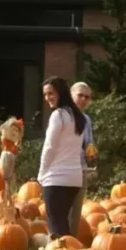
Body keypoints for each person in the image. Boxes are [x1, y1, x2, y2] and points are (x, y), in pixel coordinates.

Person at [37, 76, 85, 239]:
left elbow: (50, 147)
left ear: (61, 93)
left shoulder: (58, 115)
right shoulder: (78, 116)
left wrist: (41, 173)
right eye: (45, 94)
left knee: (56, 228)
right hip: (74, 179)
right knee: (62, 223)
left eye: (51, 93)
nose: (47, 98)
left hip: (56, 177)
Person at [68, 82, 96, 238]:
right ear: (72, 96)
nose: (84, 99)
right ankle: (57, 242)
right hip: (63, 168)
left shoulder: (86, 120)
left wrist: (91, 152)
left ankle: (70, 242)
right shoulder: (63, 116)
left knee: (76, 209)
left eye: (87, 97)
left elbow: (89, 142)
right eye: (80, 95)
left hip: (80, 168)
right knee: (62, 208)